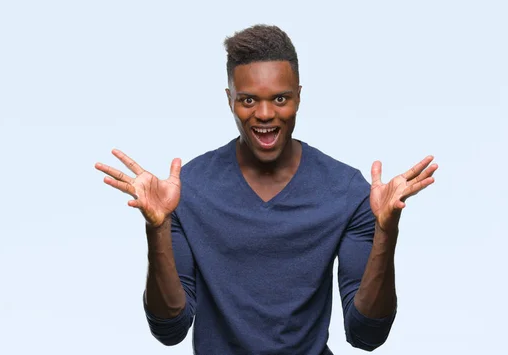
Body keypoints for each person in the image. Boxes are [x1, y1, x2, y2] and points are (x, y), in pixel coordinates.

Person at [95, 24, 437, 355]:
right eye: (248, 100)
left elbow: (367, 335)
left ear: (299, 97)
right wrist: (157, 228)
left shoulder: (346, 191)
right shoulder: (187, 190)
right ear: (230, 100)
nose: (264, 113)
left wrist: (386, 231)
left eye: (280, 98)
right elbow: (169, 329)